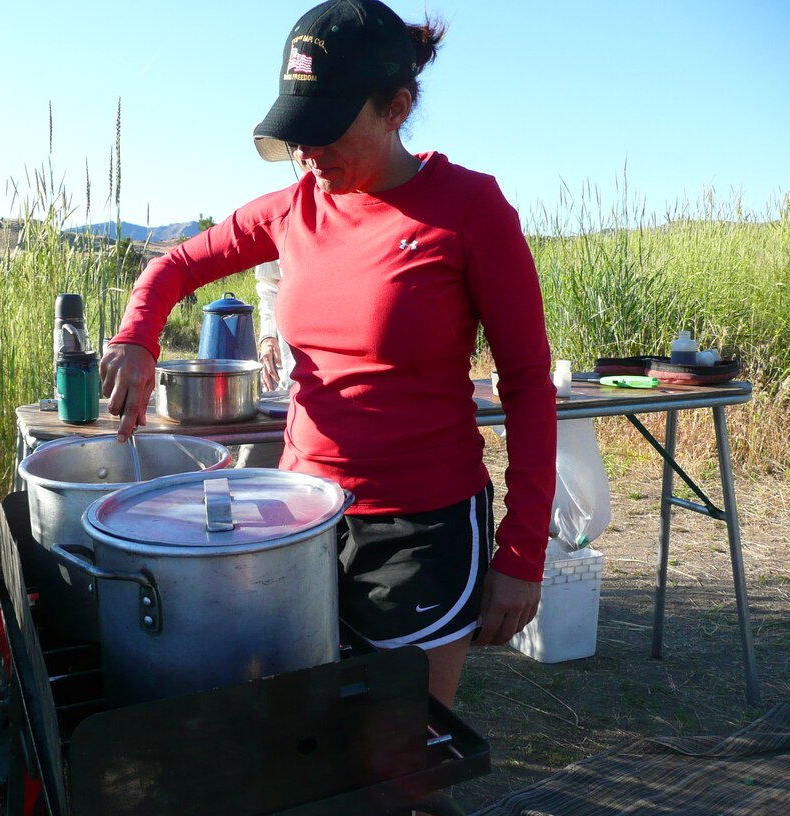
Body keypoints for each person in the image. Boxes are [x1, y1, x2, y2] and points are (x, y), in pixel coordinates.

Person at [100, 0, 556, 711]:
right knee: (304, 733)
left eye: (326, 130)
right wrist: (136, 335)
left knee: (402, 750)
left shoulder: (469, 210)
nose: (307, 155)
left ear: (396, 107)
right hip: (299, 517)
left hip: (420, 530)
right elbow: (175, 266)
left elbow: (529, 385)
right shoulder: (293, 209)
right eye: (297, 133)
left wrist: (523, 552)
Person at [233, 258, 295, 468]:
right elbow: (269, 285)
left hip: (355, 401)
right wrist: (268, 335)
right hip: (288, 388)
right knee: (249, 474)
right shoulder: (284, 225)